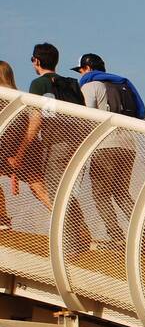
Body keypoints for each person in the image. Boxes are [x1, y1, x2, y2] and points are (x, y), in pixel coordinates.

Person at [8, 43, 90, 249]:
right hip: (78, 143)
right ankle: (81, 232)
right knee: (66, 191)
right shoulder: (72, 83)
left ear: (36, 61)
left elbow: (36, 121)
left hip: (56, 145)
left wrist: (21, 150)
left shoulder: (39, 84)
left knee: (56, 192)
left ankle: (72, 243)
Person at [74, 53, 145, 248]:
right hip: (128, 145)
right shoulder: (121, 86)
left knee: (100, 195)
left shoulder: (90, 86)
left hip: (105, 146)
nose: (80, 74)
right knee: (121, 192)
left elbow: (86, 116)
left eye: (80, 70)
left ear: (87, 69)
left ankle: (117, 238)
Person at [0, 60, 54, 229]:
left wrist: (13, 154)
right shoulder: (21, 98)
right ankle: (70, 223)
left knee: (36, 185)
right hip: (29, 147)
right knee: (38, 186)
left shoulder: (3, 97)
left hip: (9, 147)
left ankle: (1, 219)